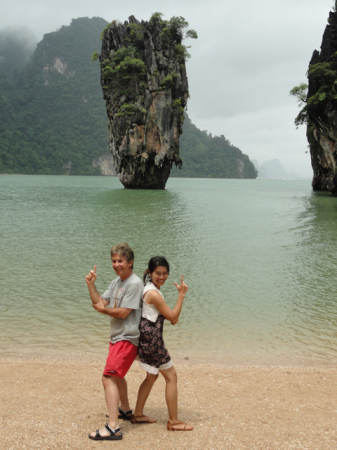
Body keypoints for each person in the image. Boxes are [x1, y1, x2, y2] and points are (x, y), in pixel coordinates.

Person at [85, 242, 143, 441]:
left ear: (130, 262)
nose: (117, 264)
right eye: (114, 261)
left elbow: (123, 312)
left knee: (108, 378)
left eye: (120, 261)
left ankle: (113, 428)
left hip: (127, 338)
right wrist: (91, 285)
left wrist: (103, 310)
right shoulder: (116, 282)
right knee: (116, 376)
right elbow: (100, 303)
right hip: (117, 337)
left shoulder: (134, 283)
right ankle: (125, 410)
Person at [131, 256, 193, 431]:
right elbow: (173, 318)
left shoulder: (148, 288)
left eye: (165, 273)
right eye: (158, 273)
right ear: (150, 273)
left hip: (148, 338)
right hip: (153, 341)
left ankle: (137, 414)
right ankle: (173, 421)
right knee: (171, 377)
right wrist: (181, 295)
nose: (162, 277)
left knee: (152, 376)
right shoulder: (153, 294)